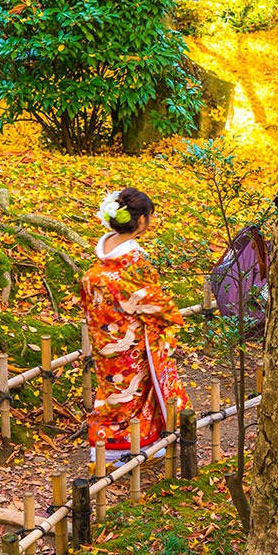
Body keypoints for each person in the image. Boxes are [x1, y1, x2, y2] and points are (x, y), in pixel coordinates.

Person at [81, 187, 189, 452]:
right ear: (141, 220)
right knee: (132, 392)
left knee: (111, 389)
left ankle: (106, 444)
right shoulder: (133, 259)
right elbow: (151, 300)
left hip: (103, 334)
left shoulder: (104, 251)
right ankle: (127, 448)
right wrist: (170, 315)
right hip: (130, 339)